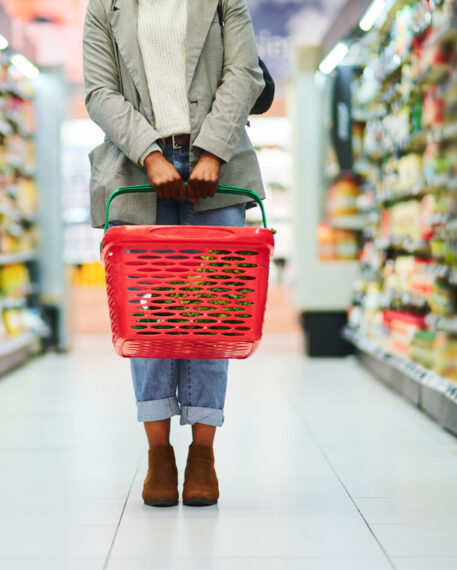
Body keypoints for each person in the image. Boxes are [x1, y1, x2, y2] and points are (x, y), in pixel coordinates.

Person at [83, 0, 265, 507]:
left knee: (213, 316)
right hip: (136, 171)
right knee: (150, 319)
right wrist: (149, 152)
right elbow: (100, 92)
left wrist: (212, 151)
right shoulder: (105, 6)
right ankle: (159, 452)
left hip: (219, 170)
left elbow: (244, 73)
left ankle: (203, 452)